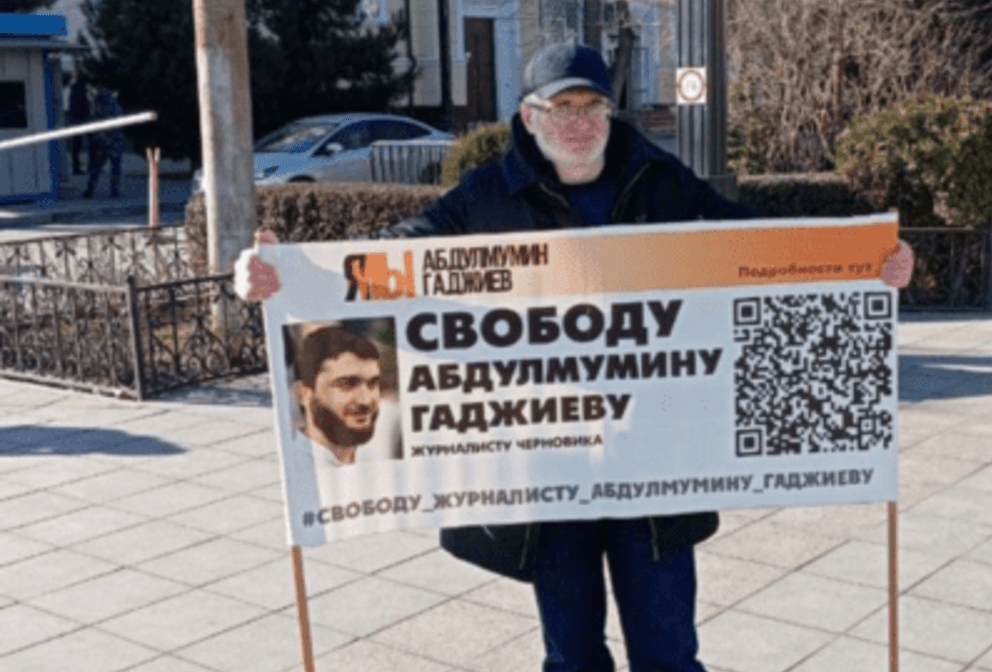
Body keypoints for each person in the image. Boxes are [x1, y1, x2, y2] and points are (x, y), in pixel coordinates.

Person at [243, 43, 914, 672]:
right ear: (528, 117)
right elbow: (388, 261)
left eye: (590, 106)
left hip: (656, 470)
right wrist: (285, 278)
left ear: (608, 113)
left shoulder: (661, 181)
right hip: (546, 471)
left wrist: (861, 268)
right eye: (559, 108)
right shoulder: (486, 197)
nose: (577, 122)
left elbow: (750, 246)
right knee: (571, 656)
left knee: (669, 653)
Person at [292, 325, 384, 468]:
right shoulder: (293, 465)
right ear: (303, 394)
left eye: (372, 384)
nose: (365, 401)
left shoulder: (379, 460)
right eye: (347, 384)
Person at [82, 86, 125, 199]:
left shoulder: (98, 106)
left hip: (104, 140)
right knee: (114, 167)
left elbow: (94, 122)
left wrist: (98, 136)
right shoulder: (115, 107)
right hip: (113, 141)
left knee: (97, 167)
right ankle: (113, 190)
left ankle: (90, 189)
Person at [66, 73, 91, 175]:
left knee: (77, 146)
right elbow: (82, 107)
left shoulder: (75, 90)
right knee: (78, 145)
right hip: (79, 120)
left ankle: (77, 167)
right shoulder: (79, 91)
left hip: (76, 120)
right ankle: (78, 168)